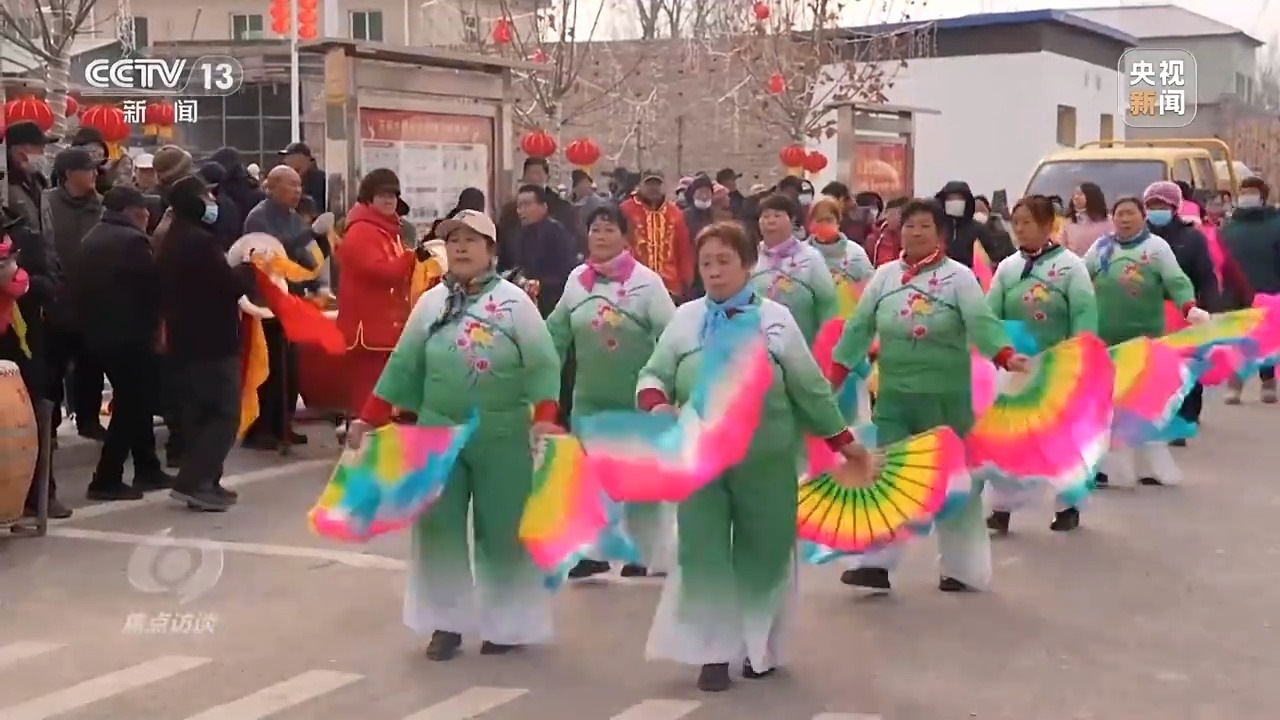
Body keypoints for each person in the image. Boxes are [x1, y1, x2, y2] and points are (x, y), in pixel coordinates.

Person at [639, 220, 864, 692]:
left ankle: (760, 647)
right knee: (703, 551)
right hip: (701, 460)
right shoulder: (686, 320)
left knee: (766, 552)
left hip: (766, 459)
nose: (714, 272)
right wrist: (657, 404)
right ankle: (713, 653)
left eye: (725, 261)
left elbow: (810, 389)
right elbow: (653, 374)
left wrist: (845, 443)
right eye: (706, 263)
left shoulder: (775, 321)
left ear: (747, 265)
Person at [347, 208, 562, 662]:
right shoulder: (431, 303)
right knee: (438, 530)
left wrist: (544, 414)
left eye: (472, 239)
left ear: (491, 250)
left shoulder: (514, 303)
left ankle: (506, 624)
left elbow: (543, 361)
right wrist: (369, 417)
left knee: (503, 529)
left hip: (502, 433)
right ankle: (445, 624)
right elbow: (404, 363)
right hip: (437, 431)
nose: (461, 247)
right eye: (454, 239)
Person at [829, 198, 1027, 594]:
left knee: (956, 484)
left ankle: (963, 568)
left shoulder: (959, 278)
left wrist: (1005, 355)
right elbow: (859, 327)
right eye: (909, 225)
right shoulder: (885, 276)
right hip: (894, 399)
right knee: (885, 477)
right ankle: (876, 564)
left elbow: (981, 322)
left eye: (924, 226)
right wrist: (834, 375)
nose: (915, 232)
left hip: (946, 399)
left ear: (940, 234)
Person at [545, 205, 676, 579]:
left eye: (608, 229)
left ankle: (645, 554)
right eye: (595, 230)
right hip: (589, 398)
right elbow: (555, 334)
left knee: (641, 480)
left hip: (637, 400)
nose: (600, 236)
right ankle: (594, 553)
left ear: (624, 236)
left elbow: (673, 335)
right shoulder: (577, 281)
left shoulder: (647, 283)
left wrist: (669, 388)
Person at [984, 195, 1098, 534]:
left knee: (1060, 438)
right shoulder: (1007, 267)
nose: (1019, 229)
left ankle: (1067, 505)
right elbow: (989, 314)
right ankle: (1001, 508)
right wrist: (994, 351)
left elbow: (1083, 313)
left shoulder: (1071, 266)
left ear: (1048, 225)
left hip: (1057, 364)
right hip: (1014, 368)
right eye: (1015, 222)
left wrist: (1079, 355)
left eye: (1027, 222)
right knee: (1007, 438)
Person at [1084, 195, 1207, 488]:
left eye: (1130, 213)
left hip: (1145, 339)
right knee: (1108, 407)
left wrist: (1189, 306)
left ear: (1142, 217)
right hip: (1106, 340)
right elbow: (1079, 279)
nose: (1125, 219)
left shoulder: (1156, 248)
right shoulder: (1101, 248)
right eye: (1120, 214)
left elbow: (1176, 280)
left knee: (1143, 406)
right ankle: (1111, 469)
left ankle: (1155, 469)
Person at [72, 186, 173, 501]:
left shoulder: (93, 237)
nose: (147, 214)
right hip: (130, 335)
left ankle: (147, 466)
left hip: (98, 334)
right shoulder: (132, 241)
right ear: (131, 211)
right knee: (132, 404)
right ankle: (106, 477)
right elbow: (152, 287)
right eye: (143, 209)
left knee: (136, 401)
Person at [157, 174, 250, 512]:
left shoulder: (173, 237)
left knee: (199, 415)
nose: (213, 204)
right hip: (211, 341)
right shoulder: (198, 242)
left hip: (186, 340)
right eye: (207, 198)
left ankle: (208, 481)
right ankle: (193, 482)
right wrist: (248, 269)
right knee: (224, 415)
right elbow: (230, 285)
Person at [1141, 180, 1245, 443]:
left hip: (1183, 312)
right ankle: (1157, 418)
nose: (1156, 210)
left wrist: (1210, 307)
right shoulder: (1138, 239)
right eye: (1151, 205)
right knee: (1153, 370)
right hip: (1147, 313)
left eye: (1162, 205)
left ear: (1175, 207)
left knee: (1184, 369)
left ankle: (1184, 418)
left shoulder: (1192, 238)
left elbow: (1206, 277)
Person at [334, 168, 421, 419]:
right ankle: (365, 437)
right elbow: (381, 272)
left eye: (393, 195)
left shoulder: (387, 230)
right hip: (366, 330)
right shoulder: (362, 231)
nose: (389, 200)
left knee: (380, 395)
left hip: (381, 327)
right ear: (368, 198)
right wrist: (411, 257)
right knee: (369, 396)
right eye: (382, 195)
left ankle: (372, 435)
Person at [0, 205, 67, 518]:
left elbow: (50, 285)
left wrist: (17, 282)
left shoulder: (25, 239)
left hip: (21, 353)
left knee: (31, 424)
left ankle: (41, 494)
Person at [42, 147, 106, 440]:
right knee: (52, 369)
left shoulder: (102, 206)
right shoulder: (46, 203)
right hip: (56, 300)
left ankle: (89, 420)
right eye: (88, 169)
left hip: (93, 301)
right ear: (68, 174)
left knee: (91, 365)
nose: (95, 173)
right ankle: (50, 426)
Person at [1220, 177, 1280, 404]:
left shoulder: (1276, 224)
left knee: (1266, 339)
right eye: (1244, 192)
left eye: (1252, 192)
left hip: (1269, 289)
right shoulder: (1229, 227)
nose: (1247, 196)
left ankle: (1268, 381)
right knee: (1237, 339)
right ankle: (1235, 383)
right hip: (1235, 292)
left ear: (1263, 197)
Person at [750, 193, 839, 343]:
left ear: (792, 220)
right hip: (757, 345)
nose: (770, 221)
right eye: (765, 216)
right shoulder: (750, 256)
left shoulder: (810, 257)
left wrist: (826, 343)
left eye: (777, 215)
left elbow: (827, 304)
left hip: (803, 344)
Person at [618, 171, 694, 302]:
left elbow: (683, 249)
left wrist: (687, 280)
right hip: (633, 285)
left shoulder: (675, 214)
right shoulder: (625, 210)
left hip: (670, 287)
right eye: (649, 184)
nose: (653, 188)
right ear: (640, 185)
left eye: (657, 184)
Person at [511, 184, 579, 318]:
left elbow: (566, 271)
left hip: (553, 302)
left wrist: (540, 284)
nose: (521, 211)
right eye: (519, 206)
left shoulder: (556, 232)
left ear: (543, 206)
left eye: (527, 204)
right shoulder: (523, 233)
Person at [497, 157, 581, 264]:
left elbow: (573, 238)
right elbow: (503, 239)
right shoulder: (510, 209)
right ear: (523, 177)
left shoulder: (562, 206)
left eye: (538, 173)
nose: (534, 178)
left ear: (547, 177)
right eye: (530, 174)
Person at [806, 196, 874, 318]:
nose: (824, 224)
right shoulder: (802, 253)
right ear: (811, 223)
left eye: (829, 220)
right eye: (820, 220)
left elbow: (870, 288)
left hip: (847, 318)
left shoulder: (855, 252)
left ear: (838, 222)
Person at [935, 181, 1013, 268]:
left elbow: (995, 255)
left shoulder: (978, 229)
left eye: (959, 198)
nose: (955, 202)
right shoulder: (936, 227)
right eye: (950, 198)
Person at [5, 121, 54, 231]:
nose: (43, 154)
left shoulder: (39, 181)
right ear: (19, 151)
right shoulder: (5, 184)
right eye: (40, 149)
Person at [1059, 181, 1112, 255]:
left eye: (1080, 194)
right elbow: (1062, 248)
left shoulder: (1109, 221)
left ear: (1092, 196)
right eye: (1074, 194)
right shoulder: (1069, 222)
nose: (1075, 197)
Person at [279, 142, 327, 211]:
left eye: (288, 156)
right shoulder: (289, 177)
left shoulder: (318, 178)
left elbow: (317, 204)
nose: (285, 160)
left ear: (301, 157)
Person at [865, 196, 906, 267]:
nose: (893, 218)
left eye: (898, 214)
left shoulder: (914, 238)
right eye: (890, 214)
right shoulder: (875, 239)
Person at [973, 194, 1014, 261]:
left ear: (989, 211)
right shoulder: (964, 237)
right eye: (975, 211)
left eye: (982, 210)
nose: (979, 214)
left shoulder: (1002, 236)